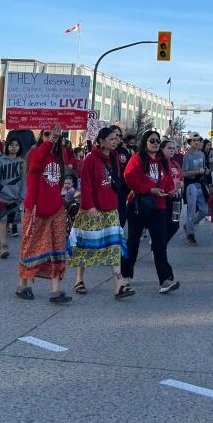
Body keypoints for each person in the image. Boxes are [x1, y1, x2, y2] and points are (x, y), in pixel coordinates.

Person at [69, 127, 131, 298]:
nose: (115, 141)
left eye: (117, 138)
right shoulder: (91, 159)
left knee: (114, 246)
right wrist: (89, 206)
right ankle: (79, 279)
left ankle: (119, 284)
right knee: (85, 245)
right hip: (92, 210)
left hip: (111, 209)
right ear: (101, 141)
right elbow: (86, 184)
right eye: (111, 138)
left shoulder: (115, 158)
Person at [17, 125, 71, 303]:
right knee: (31, 246)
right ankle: (22, 285)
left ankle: (55, 290)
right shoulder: (35, 153)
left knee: (57, 248)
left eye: (55, 134)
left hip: (55, 210)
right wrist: (50, 141)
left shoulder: (58, 157)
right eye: (47, 134)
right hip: (35, 210)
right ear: (41, 136)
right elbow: (37, 162)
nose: (52, 137)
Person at [122, 129, 179, 294]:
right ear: (145, 143)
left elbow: (167, 180)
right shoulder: (137, 159)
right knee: (133, 242)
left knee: (160, 244)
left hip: (158, 207)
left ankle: (165, 279)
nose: (155, 143)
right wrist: (150, 189)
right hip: (138, 206)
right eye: (152, 140)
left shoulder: (163, 161)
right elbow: (130, 179)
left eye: (157, 141)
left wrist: (171, 190)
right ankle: (125, 276)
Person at [0, 138, 25, 260]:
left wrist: (22, 195)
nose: (13, 147)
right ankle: (4, 246)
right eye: (11, 145)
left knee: (8, 221)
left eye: (16, 145)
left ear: (19, 148)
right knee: (2, 220)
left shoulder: (21, 163)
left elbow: (24, 181)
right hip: (0, 197)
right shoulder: (0, 162)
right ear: (7, 146)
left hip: (14, 198)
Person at [183, 132, 209, 246]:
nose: (197, 142)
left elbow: (203, 168)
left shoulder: (202, 154)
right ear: (190, 142)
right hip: (191, 185)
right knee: (191, 210)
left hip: (200, 184)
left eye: (198, 140)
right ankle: (190, 234)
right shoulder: (187, 156)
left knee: (205, 210)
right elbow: (184, 173)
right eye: (194, 140)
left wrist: (206, 172)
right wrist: (198, 172)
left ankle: (189, 225)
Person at [161, 139, 184, 242]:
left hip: (176, 199)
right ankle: (158, 247)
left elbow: (181, 178)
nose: (172, 150)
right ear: (162, 149)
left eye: (174, 148)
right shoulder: (160, 163)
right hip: (164, 198)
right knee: (164, 225)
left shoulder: (175, 163)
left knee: (175, 225)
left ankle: (160, 244)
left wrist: (181, 184)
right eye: (169, 148)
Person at [112, 125, 131, 227]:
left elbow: (128, 169)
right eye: (115, 135)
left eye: (120, 135)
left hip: (122, 189)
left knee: (122, 216)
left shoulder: (124, 151)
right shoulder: (107, 151)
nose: (118, 137)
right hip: (109, 189)